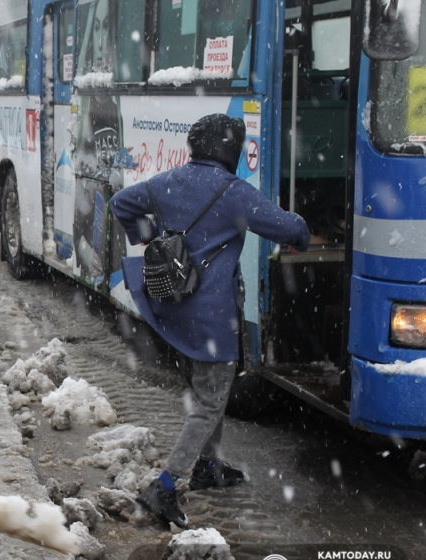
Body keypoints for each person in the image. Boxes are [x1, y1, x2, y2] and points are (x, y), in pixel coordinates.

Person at [109, 114, 310, 529]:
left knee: (206, 388)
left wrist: (148, 237)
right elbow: (287, 228)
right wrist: (307, 230)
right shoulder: (235, 193)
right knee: (211, 401)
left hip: (174, 308)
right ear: (231, 151)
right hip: (212, 317)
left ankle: (208, 466)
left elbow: (120, 204)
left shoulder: (168, 181)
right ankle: (164, 485)